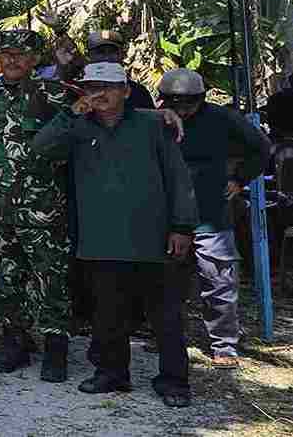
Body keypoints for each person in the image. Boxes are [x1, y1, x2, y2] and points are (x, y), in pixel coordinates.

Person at [34, 62, 197, 407]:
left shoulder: (153, 124)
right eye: (92, 87)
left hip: (152, 239)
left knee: (164, 316)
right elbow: (42, 147)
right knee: (107, 314)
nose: (100, 94)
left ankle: (173, 381)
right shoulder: (77, 128)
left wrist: (182, 226)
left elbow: (178, 178)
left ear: (126, 91)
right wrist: (70, 113)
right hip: (100, 240)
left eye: (108, 87)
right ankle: (112, 373)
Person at [0, 30, 76, 380]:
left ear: (35, 59)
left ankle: (56, 350)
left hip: (42, 210)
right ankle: (16, 344)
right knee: (6, 280)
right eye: (7, 55)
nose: (13, 61)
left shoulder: (56, 95)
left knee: (51, 280)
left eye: (21, 55)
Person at [159, 68, 270, 370]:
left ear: (201, 99)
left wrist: (240, 178)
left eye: (188, 104)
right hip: (167, 215)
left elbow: (261, 148)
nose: (181, 110)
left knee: (218, 279)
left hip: (211, 213)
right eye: (175, 103)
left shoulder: (224, 119)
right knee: (166, 281)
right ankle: (165, 337)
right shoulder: (155, 120)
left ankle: (224, 344)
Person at [85, 29, 156, 109]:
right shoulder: (78, 91)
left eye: (112, 52)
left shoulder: (138, 92)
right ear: (89, 56)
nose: (107, 57)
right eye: (100, 52)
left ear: (122, 55)